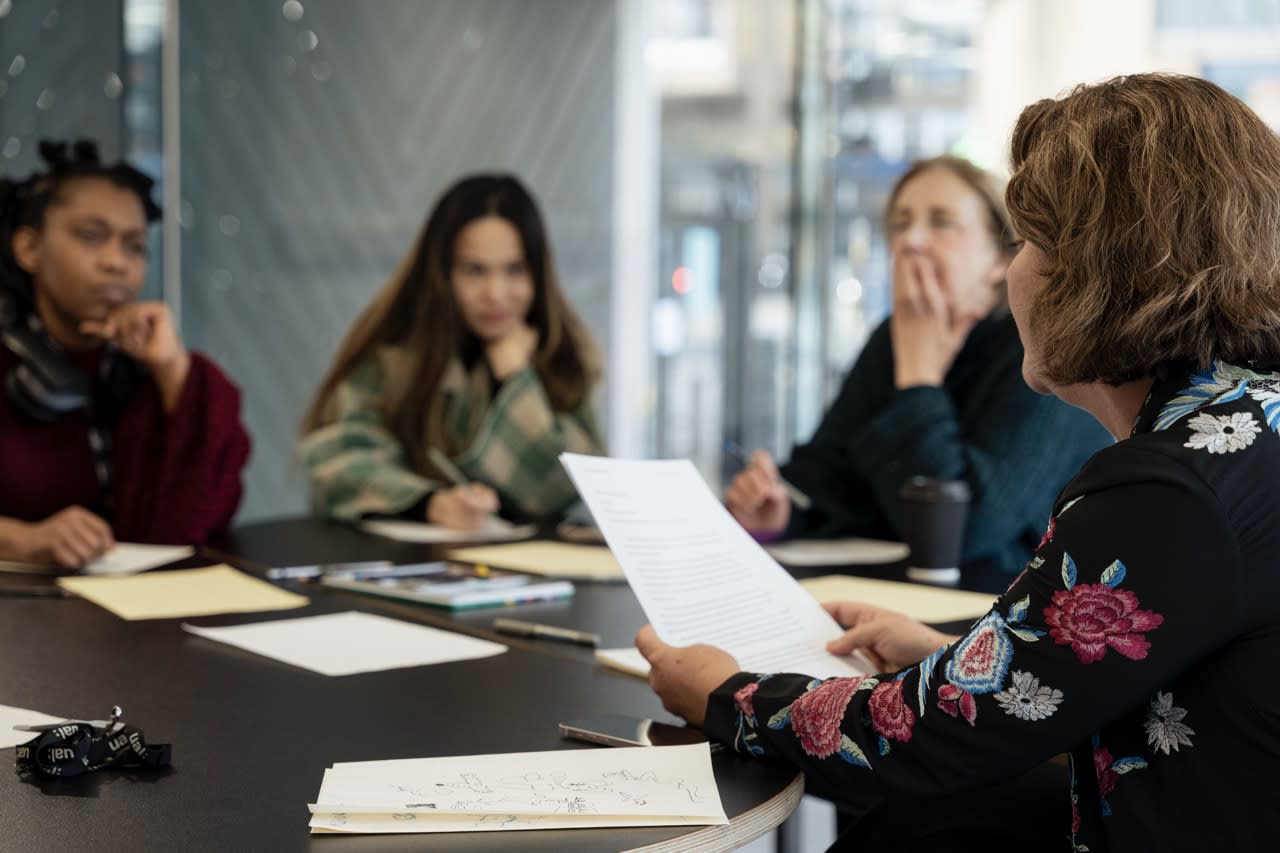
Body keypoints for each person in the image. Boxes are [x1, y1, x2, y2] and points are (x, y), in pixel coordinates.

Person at [638, 73, 1280, 851]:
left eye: (1028, 241)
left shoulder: (1168, 489)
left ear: (1095, 272)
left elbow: (927, 734)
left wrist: (725, 694)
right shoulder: (1242, 427)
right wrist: (956, 659)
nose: (1012, 271)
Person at [726, 156, 1109, 576]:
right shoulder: (891, 338)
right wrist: (782, 511)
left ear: (1001, 257)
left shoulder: (1038, 351)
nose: (911, 241)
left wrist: (918, 378)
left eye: (942, 222)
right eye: (900, 224)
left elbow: (967, 530)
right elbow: (827, 477)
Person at [300, 174, 603, 529]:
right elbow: (340, 460)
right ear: (442, 273)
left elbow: (574, 484)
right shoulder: (395, 352)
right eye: (474, 270)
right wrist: (432, 504)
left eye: (515, 269)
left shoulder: (558, 355)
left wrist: (517, 380)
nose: (495, 293)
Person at [0, 140, 251, 569]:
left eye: (134, 246)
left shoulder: (144, 373)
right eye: (91, 237)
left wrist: (173, 372)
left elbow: (202, 525)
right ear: (28, 248)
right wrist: (24, 540)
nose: (117, 262)